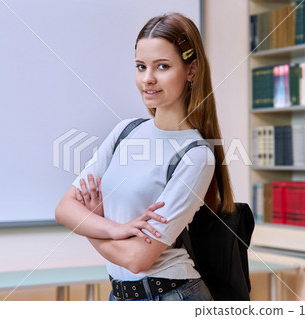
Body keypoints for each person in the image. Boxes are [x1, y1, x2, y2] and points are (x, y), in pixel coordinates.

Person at [55, 12, 235, 301]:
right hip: (120, 296)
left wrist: (90, 222)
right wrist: (117, 229)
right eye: (141, 67)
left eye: (162, 66)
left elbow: (139, 258)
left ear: (191, 70)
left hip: (170, 297)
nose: (147, 79)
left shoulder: (197, 156)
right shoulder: (125, 131)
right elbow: (64, 209)